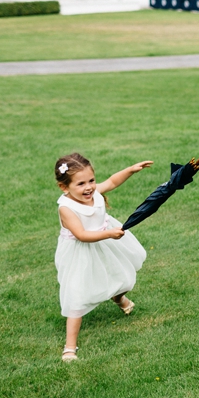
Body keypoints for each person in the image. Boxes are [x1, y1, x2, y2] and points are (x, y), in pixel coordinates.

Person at [54, 153, 152, 361]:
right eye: (80, 184)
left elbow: (112, 181)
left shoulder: (94, 192)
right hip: (80, 250)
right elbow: (81, 235)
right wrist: (109, 234)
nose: (89, 187)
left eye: (91, 180)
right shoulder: (66, 208)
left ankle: (119, 298)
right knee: (77, 296)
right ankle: (70, 347)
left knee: (123, 276)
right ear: (64, 187)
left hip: (105, 241)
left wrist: (130, 170)